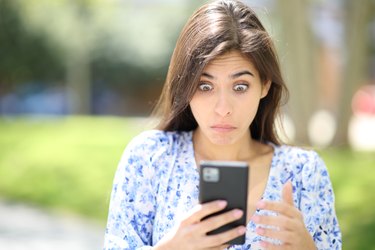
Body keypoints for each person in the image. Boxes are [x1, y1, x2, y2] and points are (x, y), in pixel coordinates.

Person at [104, 0, 342, 249]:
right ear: (185, 87)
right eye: (205, 86)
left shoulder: (304, 173)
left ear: (264, 85)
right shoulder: (150, 157)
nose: (223, 108)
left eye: (240, 87)